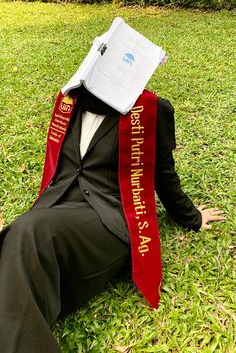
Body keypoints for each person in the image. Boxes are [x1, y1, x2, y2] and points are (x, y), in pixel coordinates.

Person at [0, 83, 225, 352]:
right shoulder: (71, 101)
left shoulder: (149, 110)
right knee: (17, 246)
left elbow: (163, 176)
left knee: (27, 233)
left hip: (107, 218)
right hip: (59, 208)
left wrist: (192, 217)